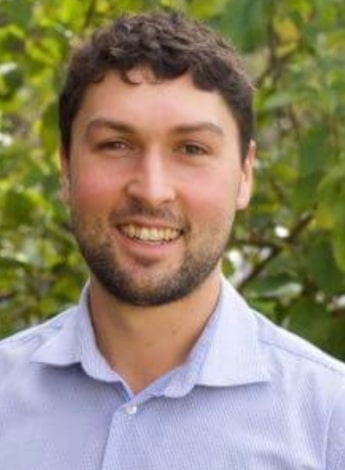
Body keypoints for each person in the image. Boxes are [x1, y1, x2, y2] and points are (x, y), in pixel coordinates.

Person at [0, 11, 344, 470]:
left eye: (192, 149)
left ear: (244, 175)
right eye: (116, 145)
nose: (152, 188)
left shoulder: (329, 423)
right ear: (66, 167)